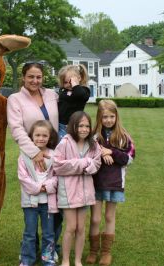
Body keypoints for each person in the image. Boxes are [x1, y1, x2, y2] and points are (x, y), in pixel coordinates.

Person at [7, 62, 60, 261]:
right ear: (23, 77)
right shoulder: (15, 99)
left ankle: (51, 250)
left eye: (38, 77)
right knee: (34, 210)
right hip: (31, 156)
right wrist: (33, 152)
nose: (35, 81)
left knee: (56, 207)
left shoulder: (52, 95)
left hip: (54, 154)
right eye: (30, 77)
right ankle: (29, 252)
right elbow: (17, 129)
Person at [85, 100, 135, 266]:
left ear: (116, 116)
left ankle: (106, 252)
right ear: (99, 117)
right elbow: (88, 154)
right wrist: (101, 153)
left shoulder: (123, 137)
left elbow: (129, 159)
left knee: (109, 216)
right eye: (105, 117)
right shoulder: (94, 136)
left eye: (111, 116)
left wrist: (112, 152)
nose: (108, 120)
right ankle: (93, 251)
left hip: (114, 183)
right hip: (96, 182)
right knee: (95, 219)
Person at [53, 111, 101, 266]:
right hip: (68, 191)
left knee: (81, 228)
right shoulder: (65, 142)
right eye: (81, 126)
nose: (84, 129)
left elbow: (97, 163)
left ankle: (78, 260)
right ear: (73, 126)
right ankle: (66, 260)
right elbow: (58, 166)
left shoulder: (93, 144)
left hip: (86, 192)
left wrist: (89, 165)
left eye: (87, 126)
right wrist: (83, 163)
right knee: (71, 227)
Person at [18, 120, 59, 266]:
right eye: (37, 135)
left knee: (48, 233)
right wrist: (37, 188)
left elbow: (56, 176)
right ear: (31, 136)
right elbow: (23, 177)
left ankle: (48, 259)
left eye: (44, 135)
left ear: (50, 137)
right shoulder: (24, 155)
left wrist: (46, 187)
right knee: (29, 233)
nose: (41, 138)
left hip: (48, 202)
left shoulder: (54, 155)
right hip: (30, 201)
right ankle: (27, 259)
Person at [57, 64, 90, 138]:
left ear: (79, 78)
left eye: (71, 81)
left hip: (74, 126)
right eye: (65, 82)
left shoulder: (83, 90)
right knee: (61, 144)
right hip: (61, 125)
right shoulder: (64, 91)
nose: (69, 84)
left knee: (72, 144)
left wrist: (75, 85)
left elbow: (81, 95)